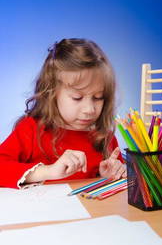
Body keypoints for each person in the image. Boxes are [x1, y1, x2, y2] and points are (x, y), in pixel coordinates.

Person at [0, 38, 126, 189]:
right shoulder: (31, 129)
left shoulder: (104, 137)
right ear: (52, 94)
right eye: (77, 98)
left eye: (98, 98)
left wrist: (109, 176)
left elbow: (116, 186)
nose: (89, 109)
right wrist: (48, 171)